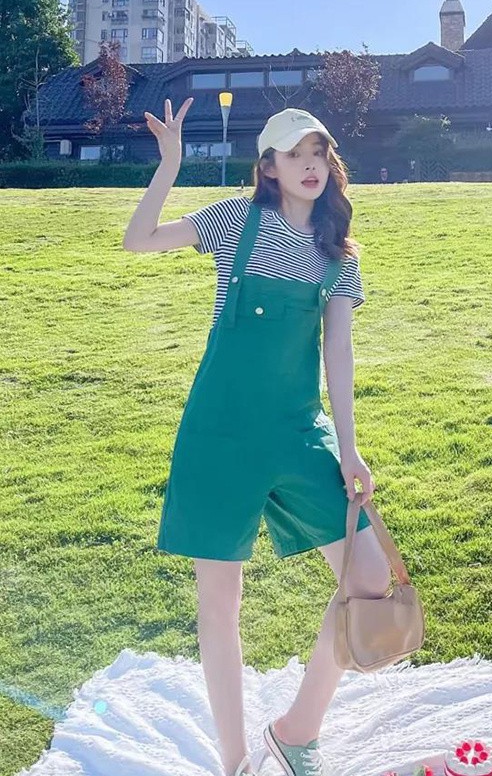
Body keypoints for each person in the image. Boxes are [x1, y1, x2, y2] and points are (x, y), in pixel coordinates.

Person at [123, 100, 390, 776]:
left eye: (319, 153)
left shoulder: (338, 253)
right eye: (295, 154)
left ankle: (296, 731)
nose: (310, 165)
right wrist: (170, 164)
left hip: (299, 433)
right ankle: (234, 760)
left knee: (369, 578)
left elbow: (337, 354)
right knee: (220, 604)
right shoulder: (234, 221)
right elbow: (138, 239)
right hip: (219, 435)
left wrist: (350, 448)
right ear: (268, 167)